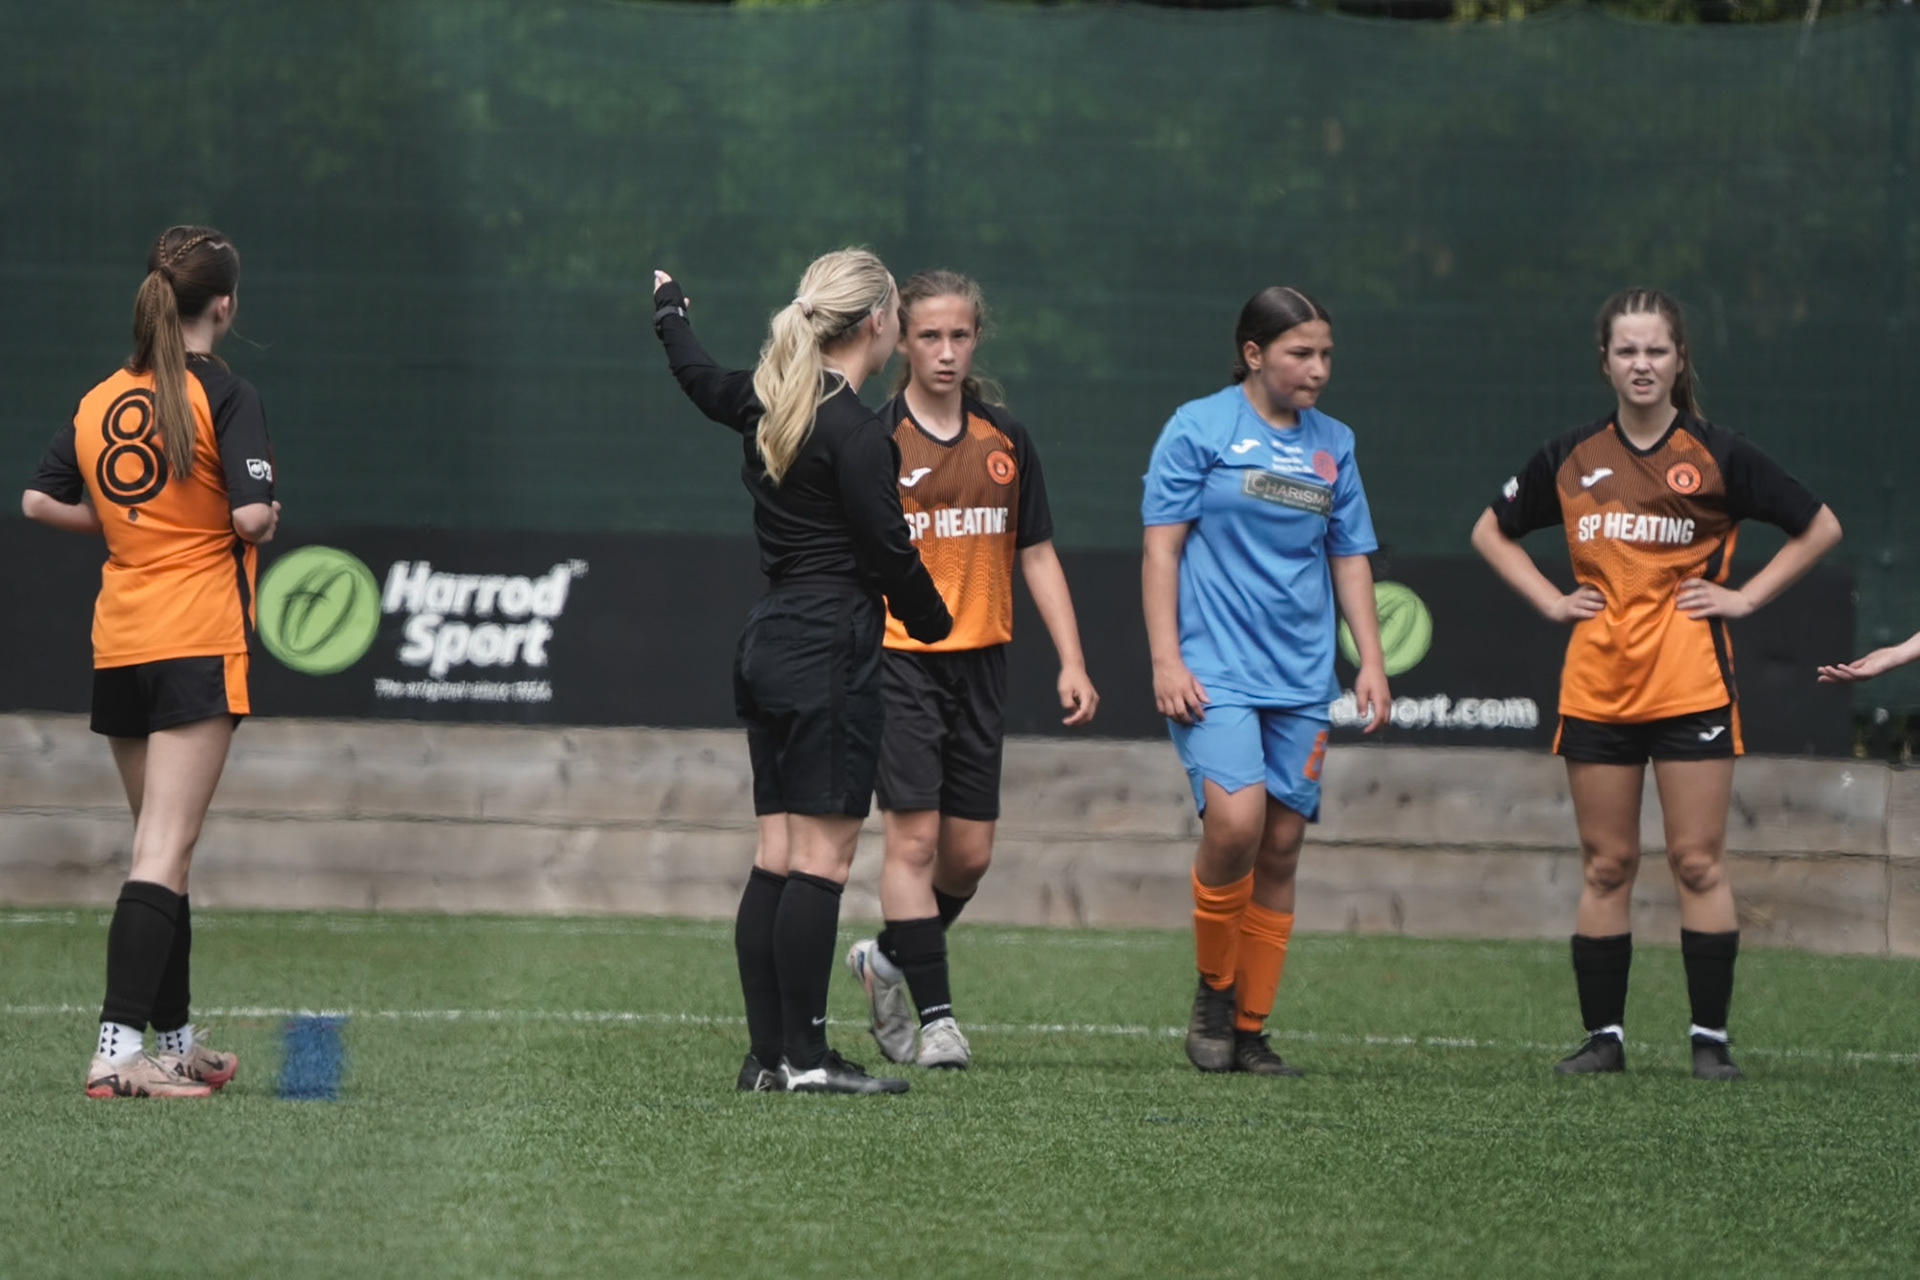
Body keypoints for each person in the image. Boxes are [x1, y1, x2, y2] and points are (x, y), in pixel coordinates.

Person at [1471, 287, 1841, 1081]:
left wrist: (1745, 598)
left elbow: (1820, 526)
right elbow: (1490, 531)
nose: (1642, 364)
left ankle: (1710, 1042)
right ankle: (1603, 1040)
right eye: (1628, 351)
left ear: (1679, 360)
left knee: (1697, 862)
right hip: (1597, 689)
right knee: (1606, 865)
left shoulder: (1720, 453)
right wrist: (1550, 600)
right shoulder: (1571, 456)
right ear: (1605, 361)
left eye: (1656, 350)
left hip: (1690, 687)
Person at [651, 249, 953, 1096]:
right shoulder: (856, 431)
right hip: (828, 648)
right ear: (876, 324)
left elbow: (696, 376)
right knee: (821, 860)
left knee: (778, 855)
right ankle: (809, 1061)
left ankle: (768, 1061)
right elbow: (890, 553)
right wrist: (938, 624)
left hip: (770, 640)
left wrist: (670, 315)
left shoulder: (770, 400)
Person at [22, 225, 277, 1098]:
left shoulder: (101, 397)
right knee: (164, 850)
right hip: (195, 634)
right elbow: (249, 518)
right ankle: (115, 1053)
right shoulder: (226, 392)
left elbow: (38, 500)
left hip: (122, 638)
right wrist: (261, 516)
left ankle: (174, 1042)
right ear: (224, 306)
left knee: (163, 850)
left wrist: (128, 526)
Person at [843, 271, 1098, 1072]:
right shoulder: (876, 438)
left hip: (982, 665)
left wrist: (1073, 659)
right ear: (902, 341)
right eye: (929, 336)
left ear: (977, 337)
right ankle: (940, 1024)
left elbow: (1037, 552)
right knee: (914, 842)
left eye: (959, 335)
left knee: (969, 858)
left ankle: (886, 960)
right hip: (900, 662)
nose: (945, 351)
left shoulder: (1005, 438)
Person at [1141, 286, 1388, 1078]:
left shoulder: (1335, 444)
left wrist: (1370, 660)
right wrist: (1166, 660)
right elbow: (1161, 550)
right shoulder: (1198, 428)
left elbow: (1349, 556)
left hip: (1301, 678)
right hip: (1214, 669)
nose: (1318, 369)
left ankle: (1249, 1028)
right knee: (1236, 825)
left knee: (1280, 847)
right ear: (1253, 355)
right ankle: (1214, 990)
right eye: (1299, 354)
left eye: (1325, 355)